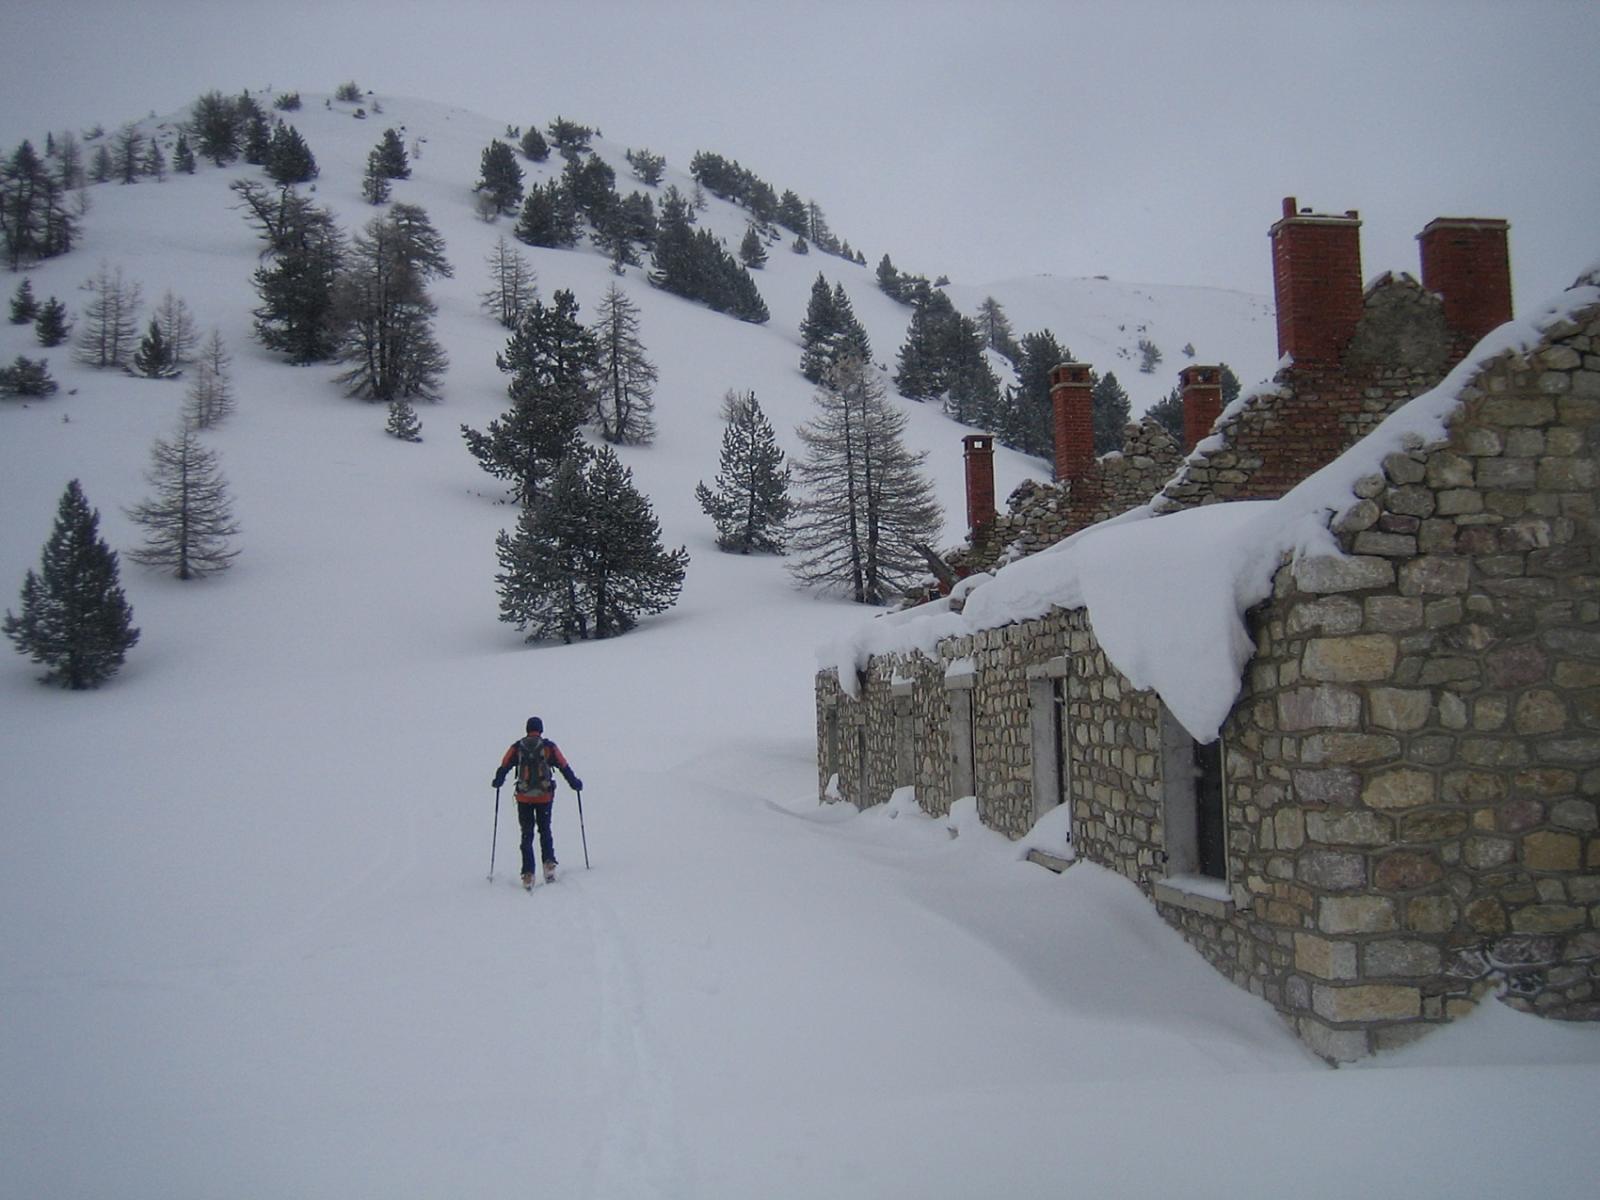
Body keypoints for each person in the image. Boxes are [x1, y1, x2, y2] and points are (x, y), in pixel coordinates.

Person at [492, 717, 582, 888]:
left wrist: (498, 781)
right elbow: (563, 766)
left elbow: (504, 765)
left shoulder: (518, 747)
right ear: (541, 729)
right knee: (545, 830)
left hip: (524, 797)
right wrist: (575, 783)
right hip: (544, 797)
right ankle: (549, 865)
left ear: (527, 729)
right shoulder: (548, 747)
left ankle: (528, 874)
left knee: (526, 833)